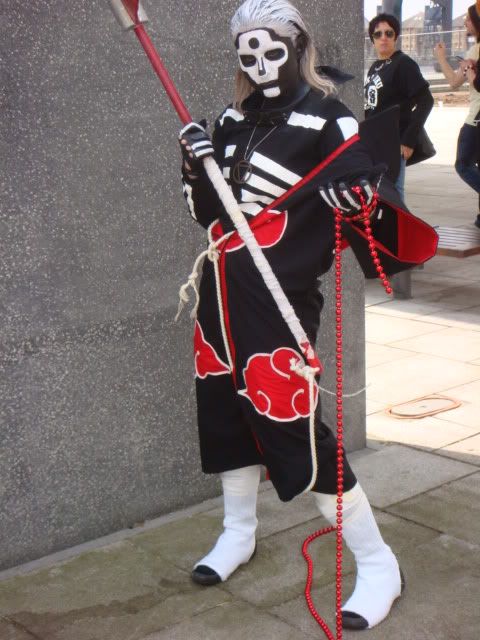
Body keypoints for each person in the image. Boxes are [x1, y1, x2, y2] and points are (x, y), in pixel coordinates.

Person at [178, 0, 435, 631]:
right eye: (247, 54)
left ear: (299, 47)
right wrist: (195, 163)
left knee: (296, 428)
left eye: (271, 51)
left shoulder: (329, 119)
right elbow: (206, 214)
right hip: (219, 294)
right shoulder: (231, 120)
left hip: (280, 297)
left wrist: (357, 195)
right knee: (224, 410)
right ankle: (239, 530)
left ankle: (378, 563)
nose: (259, 64)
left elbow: (361, 200)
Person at [364, 13, 434, 203]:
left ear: (396, 37)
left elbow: (426, 101)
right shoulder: (375, 67)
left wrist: (408, 140)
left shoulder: (403, 64)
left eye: (389, 33)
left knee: (393, 194)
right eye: (378, 34)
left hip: (394, 141)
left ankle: (399, 232)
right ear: (372, 40)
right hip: (375, 142)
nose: (383, 38)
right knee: (379, 194)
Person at [435, 3, 480, 229]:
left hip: (476, 118)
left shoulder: (475, 51)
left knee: (463, 164)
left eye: (469, 19)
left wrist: (442, 58)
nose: (465, 22)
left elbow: (454, 81)